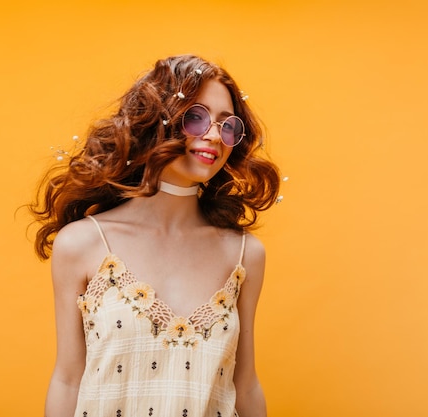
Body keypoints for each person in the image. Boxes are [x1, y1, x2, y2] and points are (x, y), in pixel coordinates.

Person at [29, 54, 281, 417]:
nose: (214, 135)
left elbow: (246, 385)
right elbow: (68, 380)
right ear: (155, 120)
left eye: (228, 126)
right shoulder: (83, 244)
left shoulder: (243, 255)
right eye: (196, 117)